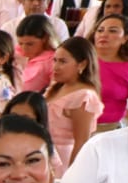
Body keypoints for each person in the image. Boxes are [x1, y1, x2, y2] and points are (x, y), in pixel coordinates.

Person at [44, 37, 103, 169]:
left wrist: (72, 172)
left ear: (82, 64)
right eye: (55, 60)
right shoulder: (57, 88)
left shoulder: (83, 97)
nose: (56, 67)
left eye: (63, 62)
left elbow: (81, 140)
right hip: (45, 153)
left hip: (63, 159)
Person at [90, 14, 128, 129]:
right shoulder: (80, 59)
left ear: (125, 38)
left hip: (108, 131)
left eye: (112, 31)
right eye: (100, 30)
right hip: (67, 129)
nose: (104, 34)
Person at [15, 15, 58, 93]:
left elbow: (54, 91)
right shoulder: (15, 53)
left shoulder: (53, 60)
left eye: (30, 44)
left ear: (45, 38)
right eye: (20, 43)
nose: (24, 49)